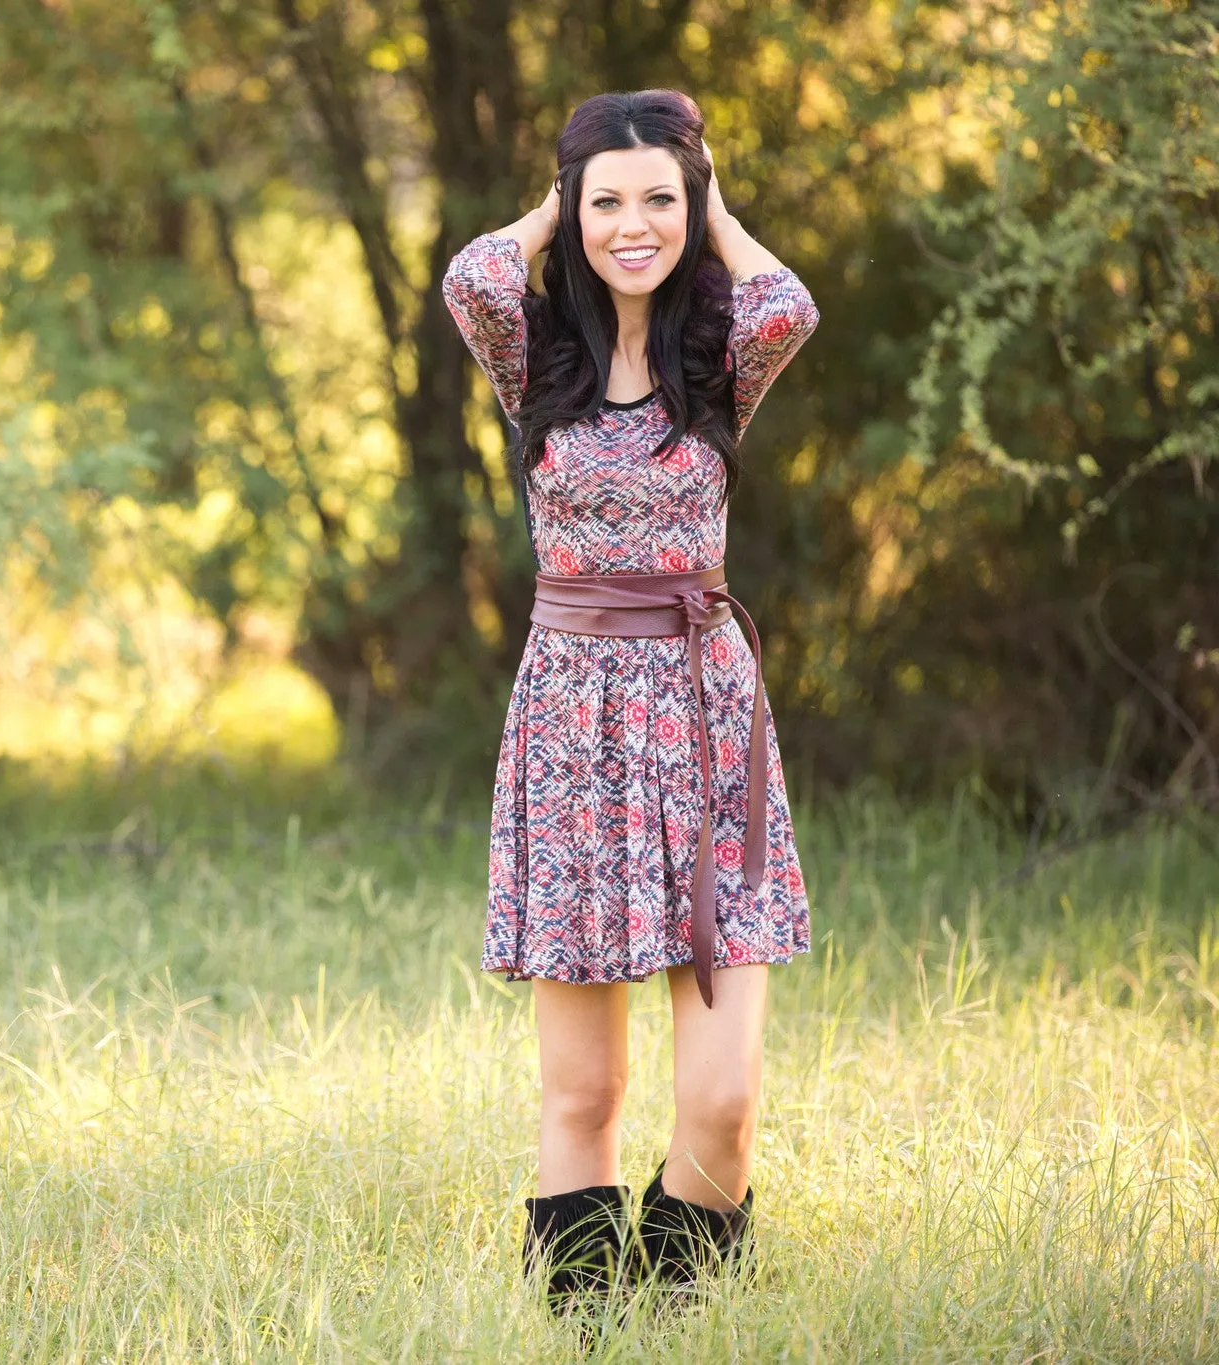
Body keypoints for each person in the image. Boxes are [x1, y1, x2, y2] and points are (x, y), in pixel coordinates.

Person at [440, 89, 818, 1313]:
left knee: (719, 1097)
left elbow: (786, 304)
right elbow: (474, 276)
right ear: (571, 212)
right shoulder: (531, 359)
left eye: (658, 196)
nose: (632, 223)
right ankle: (590, 1332)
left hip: (704, 712)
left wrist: (705, 210)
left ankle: (674, 1316)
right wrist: (561, 202)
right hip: (572, 730)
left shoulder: (717, 364)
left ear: (694, 204)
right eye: (607, 202)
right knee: (584, 1095)